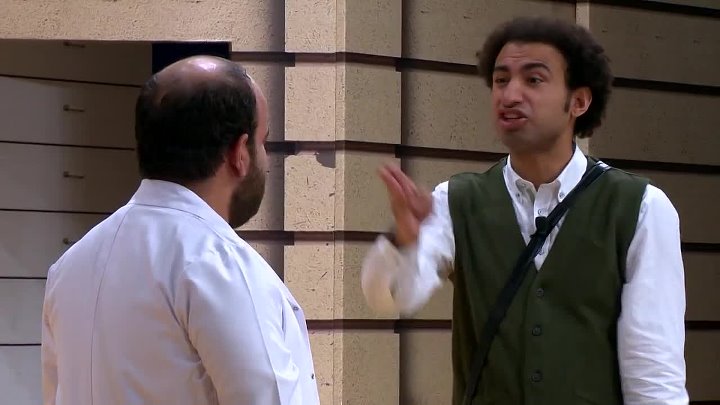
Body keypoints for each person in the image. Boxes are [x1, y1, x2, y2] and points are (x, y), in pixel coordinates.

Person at [361, 16, 688, 405]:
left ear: (579, 101)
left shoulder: (641, 208)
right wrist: (402, 240)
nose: (510, 94)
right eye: (501, 80)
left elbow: (654, 375)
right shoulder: (457, 200)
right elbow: (388, 300)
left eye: (533, 80)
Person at [41, 55, 319, 405]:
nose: (264, 159)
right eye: (262, 142)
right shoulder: (219, 265)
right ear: (239, 153)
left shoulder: (69, 267)